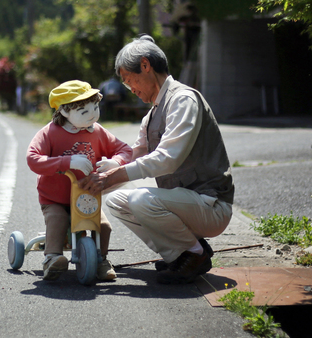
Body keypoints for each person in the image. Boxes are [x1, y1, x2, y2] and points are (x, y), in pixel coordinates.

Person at [79, 35, 235, 285]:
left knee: (141, 199)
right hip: (185, 205)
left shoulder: (183, 100)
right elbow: (135, 155)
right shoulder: (152, 114)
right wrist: (98, 180)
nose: (131, 89)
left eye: (130, 80)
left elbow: (167, 160)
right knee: (118, 201)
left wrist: (116, 174)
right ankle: (180, 253)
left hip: (211, 205)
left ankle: (195, 254)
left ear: (145, 65)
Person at [26, 80, 133, 282]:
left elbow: (125, 149)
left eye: (95, 108)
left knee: (103, 226)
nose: (92, 115)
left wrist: (115, 161)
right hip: (54, 198)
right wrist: (66, 162)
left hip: (86, 196)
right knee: (57, 220)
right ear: (65, 111)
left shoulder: (98, 132)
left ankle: (100, 260)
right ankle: (52, 258)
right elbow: (33, 159)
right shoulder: (49, 133)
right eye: (84, 112)